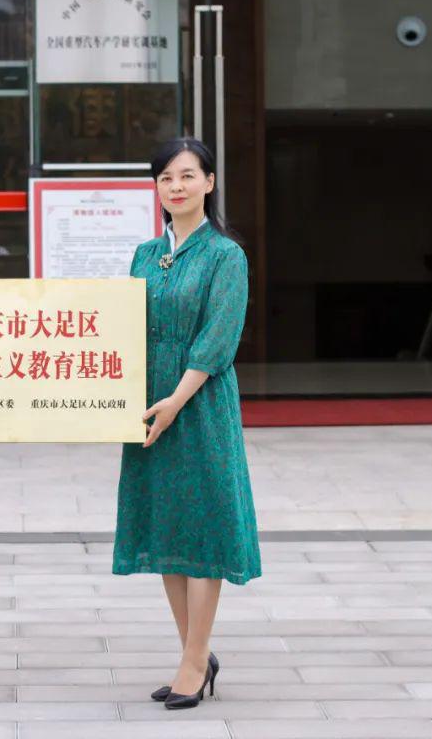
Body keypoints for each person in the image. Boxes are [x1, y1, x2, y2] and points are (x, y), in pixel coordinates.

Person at [112, 136, 261, 710]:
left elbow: (219, 338)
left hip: (197, 402)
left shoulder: (226, 255)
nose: (176, 186)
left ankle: (195, 660)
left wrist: (177, 398)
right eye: (165, 178)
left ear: (209, 182)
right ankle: (192, 652)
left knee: (202, 523)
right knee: (167, 526)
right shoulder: (145, 255)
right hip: (148, 401)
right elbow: (121, 324)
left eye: (187, 175)